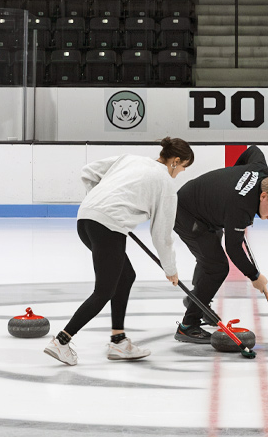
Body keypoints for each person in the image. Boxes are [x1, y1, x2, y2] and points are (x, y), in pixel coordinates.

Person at [44, 137, 195, 366]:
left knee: (125, 277)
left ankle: (118, 341)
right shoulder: (165, 183)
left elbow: (88, 172)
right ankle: (62, 341)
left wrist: (100, 201)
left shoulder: (130, 160)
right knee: (104, 291)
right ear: (175, 161)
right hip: (108, 227)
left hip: (85, 219)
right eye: (183, 167)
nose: (181, 172)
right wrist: (170, 269)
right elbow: (161, 235)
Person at [173, 145, 268, 344]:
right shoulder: (241, 208)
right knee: (217, 267)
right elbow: (234, 249)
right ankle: (188, 325)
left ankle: (197, 299)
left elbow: (252, 149)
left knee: (211, 255)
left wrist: (236, 177)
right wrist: (255, 276)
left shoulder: (260, 169)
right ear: (263, 196)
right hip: (185, 213)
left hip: (203, 209)